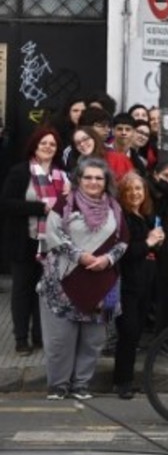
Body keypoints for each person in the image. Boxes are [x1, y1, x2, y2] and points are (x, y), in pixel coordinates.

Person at [38, 158, 128, 400]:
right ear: (78, 179)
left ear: (106, 181)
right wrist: (80, 257)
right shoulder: (64, 204)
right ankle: (58, 386)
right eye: (88, 177)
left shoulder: (115, 208)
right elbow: (53, 235)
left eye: (99, 178)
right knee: (60, 341)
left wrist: (108, 259)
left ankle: (81, 385)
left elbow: (123, 241)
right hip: (63, 282)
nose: (93, 182)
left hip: (104, 283)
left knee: (93, 341)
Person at [2, 129, 68, 355]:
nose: (48, 147)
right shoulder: (20, 171)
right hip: (24, 240)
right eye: (43, 143)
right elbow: (6, 203)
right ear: (34, 145)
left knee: (46, 291)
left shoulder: (62, 175)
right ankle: (21, 339)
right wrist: (40, 208)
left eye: (52, 144)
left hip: (52, 243)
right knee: (22, 291)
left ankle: (40, 335)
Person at [111, 172, 165, 399]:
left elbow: (148, 250)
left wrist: (157, 243)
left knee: (135, 335)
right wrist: (149, 242)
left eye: (138, 189)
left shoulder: (144, 216)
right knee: (128, 333)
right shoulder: (121, 217)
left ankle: (127, 379)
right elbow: (124, 252)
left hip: (145, 284)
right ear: (122, 193)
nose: (135, 193)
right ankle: (122, 382)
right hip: (127, 285)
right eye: (129, 189)